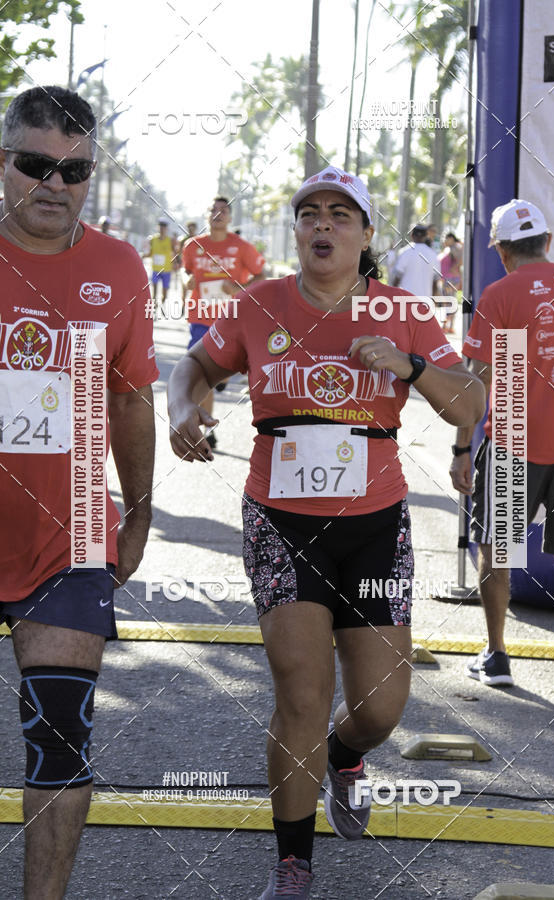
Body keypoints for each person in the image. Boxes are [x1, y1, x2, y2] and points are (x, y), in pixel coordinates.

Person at [168, 165, 485, 898]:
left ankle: (345, 756)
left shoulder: (404, 312)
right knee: (301, 693)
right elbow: (195, 365)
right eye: (310, 212)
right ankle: (294, 862)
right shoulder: (258, 303)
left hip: (375, 527)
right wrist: (185, 409)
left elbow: (469, 406)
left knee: (379, 707)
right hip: (280, 523)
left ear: (367, 234)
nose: (322, 225)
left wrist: (409, 366)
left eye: (341, 215)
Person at [0, 85, 158, 898]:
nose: (55, 185)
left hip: (71, 538)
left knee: (59, 737)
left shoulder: (119, 268)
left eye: (76, 171)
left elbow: (131, 398)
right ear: (4, 163)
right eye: (36, 165)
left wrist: (139, 508)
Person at [450, 198, 554, 686]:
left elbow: (480, 380)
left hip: (516, 433)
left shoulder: (501, 294)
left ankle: (496, 656)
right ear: (548, 243)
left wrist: (460, 450)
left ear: (502, 251)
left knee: (499, 548)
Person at [181, 195, 265, 447]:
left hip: (232, 319)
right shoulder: (192, 246)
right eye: (213, 210)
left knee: (218, 373)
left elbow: (261, 274)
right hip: (200, 318)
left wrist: (240, 288)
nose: (218, 214)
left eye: (223, 210)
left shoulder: (241, 247)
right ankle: (208, 429)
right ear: (207, 215)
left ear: (230, 217)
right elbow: (186, 274)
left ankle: (224, 378)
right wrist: (188, 282)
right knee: (203, 375)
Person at [391, 223, 440, 297]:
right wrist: (433, 301)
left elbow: (397, 278)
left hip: (406, 300)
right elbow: (435, 281)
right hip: (425, 302)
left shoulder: (405, 252)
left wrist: (392, 296)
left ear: (412, 235)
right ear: (426, 236)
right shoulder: (433, 255)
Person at [144, 216, 177, 314]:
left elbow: (175, 253)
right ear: (158, 227)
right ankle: (154, 306)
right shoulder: (152, 239)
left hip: (166, 270)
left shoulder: (170, 240)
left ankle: (161, 304)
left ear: (166, 228)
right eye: (160, 226)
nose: (162, 228)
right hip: (155, 269)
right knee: (154, 290)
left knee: (165, 293)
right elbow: (150, 253)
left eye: (164, 226)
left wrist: (175, 264)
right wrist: (143, 256)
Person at [438, 231, 463, 334]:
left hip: (451, 279)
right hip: (447, 279)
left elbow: (461, 259)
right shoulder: (448, 249)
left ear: (451, 239)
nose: (444, 240)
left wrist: (454, 268)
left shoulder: (454, 248)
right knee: (449, 302)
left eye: (446, 238)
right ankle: (448, 326)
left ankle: (446, 326)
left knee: (449, 302)